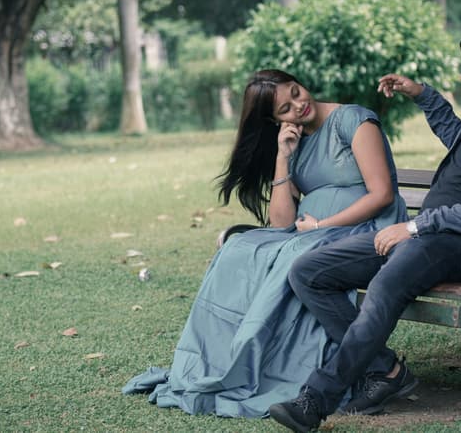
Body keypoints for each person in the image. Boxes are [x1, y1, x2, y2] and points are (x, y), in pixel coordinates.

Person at [269, 22, 461, 431]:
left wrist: (416, 227)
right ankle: (387, 371)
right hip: (427, 236)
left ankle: (316, 399)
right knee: (309, 271)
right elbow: (457, 140)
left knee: (387, 284)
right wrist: (421, 94)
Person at [122, 69, 408, 417]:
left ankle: (374, 367)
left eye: (296, 92)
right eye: (285, 109)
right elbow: (282, 222)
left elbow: (381, 195)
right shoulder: (295, 140)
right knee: (237, 250)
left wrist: (322, 224)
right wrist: (283, 157)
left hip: (366, 231)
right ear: (275, 120)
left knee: (292, 256)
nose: (298, 106)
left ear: (300, 81)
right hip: (310, 234)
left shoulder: (353, 120)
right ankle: (235, 360)